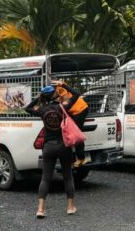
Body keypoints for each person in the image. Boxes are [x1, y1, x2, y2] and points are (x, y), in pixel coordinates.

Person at [25, 85, 77, 218]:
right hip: (64, 146)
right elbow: (76, 95)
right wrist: (64, 85)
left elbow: (27, 108)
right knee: (68, 177)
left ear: (43, 97)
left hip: (48, 146)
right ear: (55, 95)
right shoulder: (62, 107)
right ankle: (70, 207)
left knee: (45, 178)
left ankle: (40, 209)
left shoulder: (42, 110)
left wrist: (38, 98)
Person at [52, 80, 89, 167]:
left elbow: (65, 100)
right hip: (76, 110)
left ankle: (81, 159)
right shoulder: (60, 87)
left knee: (76, 133)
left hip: (79, 110)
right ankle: (76, 159)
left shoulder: (61, 88)